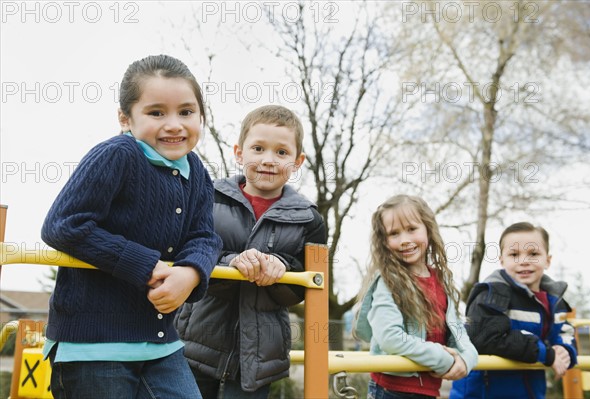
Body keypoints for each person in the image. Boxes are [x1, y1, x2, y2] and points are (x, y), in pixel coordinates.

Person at [40, 54, 222, 398]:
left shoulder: (196, 170)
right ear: (126, 118)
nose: (174, 124)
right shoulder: (117, 155)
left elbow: (204, 236)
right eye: (156, 113)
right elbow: (63, 225)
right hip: (94, 347)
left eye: (186, 112)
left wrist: (191, 273)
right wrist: (143, 264)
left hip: (160, 346)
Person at [175, 104, 327, 398]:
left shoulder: (310, 219)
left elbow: (306, 286)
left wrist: (280, 268)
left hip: (260, 356)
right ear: (239, 152)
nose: (268, 160)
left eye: (281, 153)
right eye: (258, 148)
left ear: (298, 161)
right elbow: (187, 252)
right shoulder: (207, 197)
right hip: (193, 342)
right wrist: (233, 263)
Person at [354, 194, 478, 399]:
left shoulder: (442, 281)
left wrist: (466, 359)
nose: (405, 240)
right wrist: (444, 359)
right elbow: (390, 338)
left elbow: (459, 333)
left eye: (412, 229)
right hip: (391, 390)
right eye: (394, 233)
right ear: (384, 241)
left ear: (427, 228)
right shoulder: (388, 281)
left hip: (428, 391)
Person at [450, 222, 577, 399]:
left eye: (533, 254)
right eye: (514, 254)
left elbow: (565, 331)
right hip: (482, 392)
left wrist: (564, 350)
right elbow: (484, 337)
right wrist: (545, 353)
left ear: (547, 260)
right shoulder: (491, 293)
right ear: (502, 260)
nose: (523, 261)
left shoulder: (555, 301)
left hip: (529, 391)